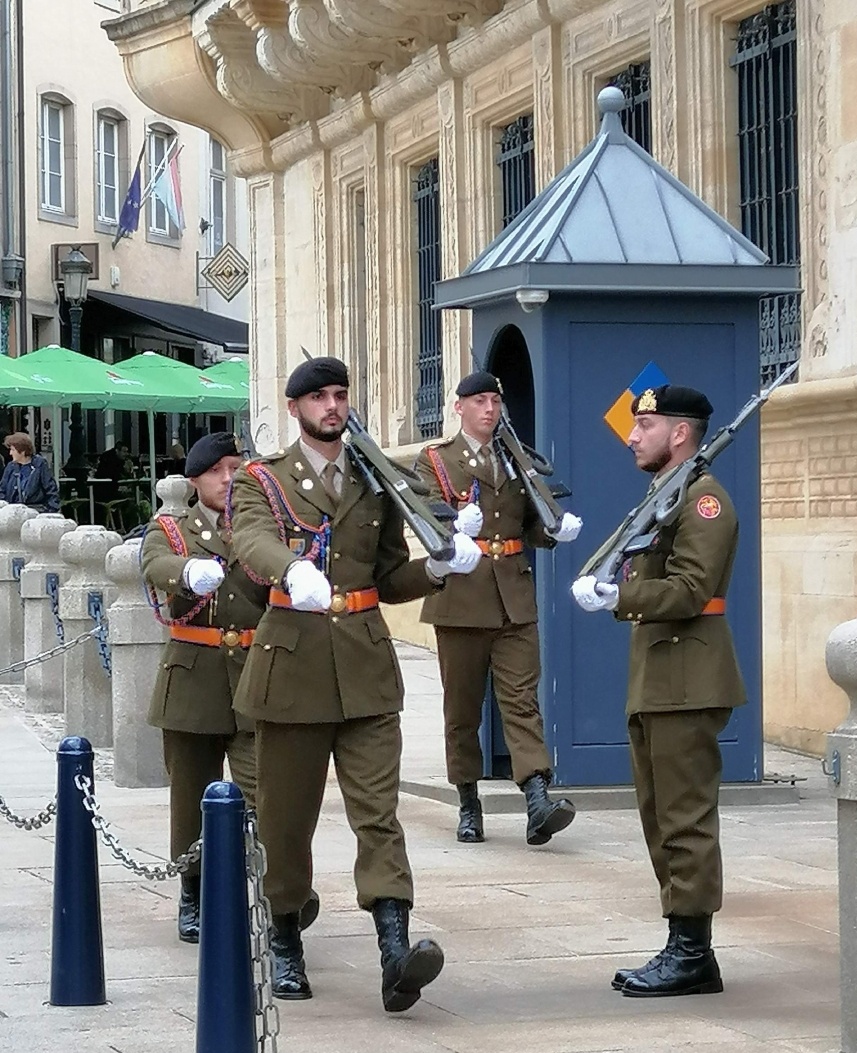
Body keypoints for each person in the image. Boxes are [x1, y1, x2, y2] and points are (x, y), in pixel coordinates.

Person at [228, 355, 481, 1011]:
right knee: (287, 823)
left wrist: (440, 568)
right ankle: (284, 935)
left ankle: (395, 952)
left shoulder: (372, 482)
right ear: (295, 409)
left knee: (379, 817)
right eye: (319, 397)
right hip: (290, 672)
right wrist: (291, 570)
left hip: (366, 673)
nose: (333, 406)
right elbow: (249, 541)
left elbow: (390, 574)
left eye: (341, 395)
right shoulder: (263, 480)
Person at [571, 384, 747, 998]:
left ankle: (693, 952)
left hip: (689, 677)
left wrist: (621, 596)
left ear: (680, 433)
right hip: (659, 675)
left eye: (645, 425)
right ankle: (683, 942)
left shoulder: (703, 501)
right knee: (658, 815)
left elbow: (691, 589)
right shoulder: (665, 495)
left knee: (684, 818)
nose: (632, 435)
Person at [415, 371, 582, 846]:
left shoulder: (515, 458)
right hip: (461, 600)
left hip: (513, 596)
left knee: (521, 701)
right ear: (459, 407)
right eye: (480, 401)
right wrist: (451, 525)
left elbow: (530, 524)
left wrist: (554, 528)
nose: (489, 409)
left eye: (494, 400)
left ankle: (536, 797)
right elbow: (422, 510)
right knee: (463, 710)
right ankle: (468, 800)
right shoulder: (436, 460)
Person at [140, 432, 286, 943]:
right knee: (190, 798)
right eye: (219, 470)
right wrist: (187, 571)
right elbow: (153, 564)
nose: (229, 479)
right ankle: (192, 894)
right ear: (196, 479)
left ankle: (278, 895)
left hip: (253, 673)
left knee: (264, 793)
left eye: (236, 468)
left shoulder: (259, 525)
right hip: (193, 677)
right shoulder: (172, 530)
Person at [0, 433, 60, 512]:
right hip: (14, 512)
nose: (10, 453)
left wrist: (50, 511)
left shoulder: (40, 465)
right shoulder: (11, 467)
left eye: (13, 450)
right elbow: (2, 490)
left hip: (36, 511)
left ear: (22, 451)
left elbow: (51, 490)